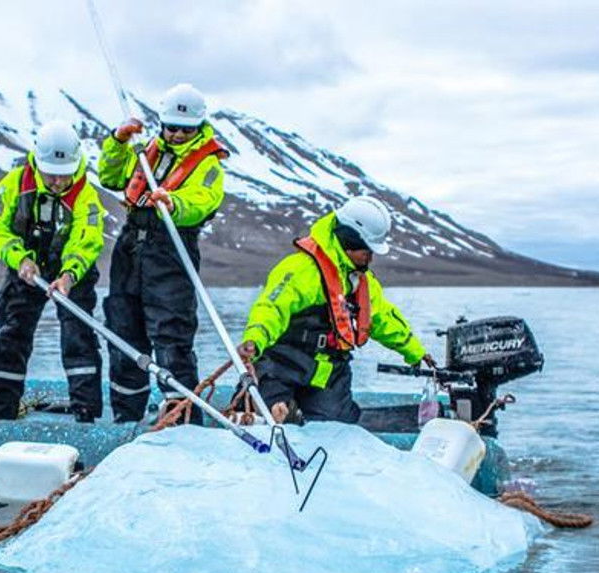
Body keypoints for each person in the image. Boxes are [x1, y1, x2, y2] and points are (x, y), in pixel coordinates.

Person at [237, 196, 437, 424]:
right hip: (282, 366)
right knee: (269, 413)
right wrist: (254, 340)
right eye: (367, 249)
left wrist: (415, 351)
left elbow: (382, 318)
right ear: (350, 239)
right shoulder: (302, 270)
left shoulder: (363, 281)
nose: (370, 256)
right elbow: (271, 308)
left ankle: (302, 413)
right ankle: (275, 409)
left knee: (340, 426)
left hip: (328, 375)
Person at [97, 83, 228, 422]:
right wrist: (118, 142)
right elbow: (110, 175)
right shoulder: (145, 151)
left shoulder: (208, 164)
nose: (178, 135)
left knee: (171, 335)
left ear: (199, 127)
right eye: (172, 127)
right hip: (131, 247)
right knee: (123, 331)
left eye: (186, 129)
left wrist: (175, 203)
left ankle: (182, 419)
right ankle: (126, 416)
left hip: (171, 250)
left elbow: (204, 199)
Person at [0, 120, 107, 422]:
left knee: (79, 335)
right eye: (51, 174)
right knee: (11, 333)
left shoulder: (86, 196)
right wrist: (20, 260)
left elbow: (87, 240)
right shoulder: (12, 185)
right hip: (26, 269)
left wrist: (70, 274)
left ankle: (86, 415)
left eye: (64, 175)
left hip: (71, 274)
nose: (58, 181)